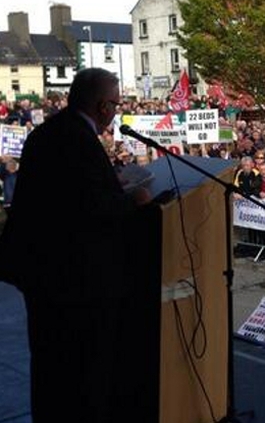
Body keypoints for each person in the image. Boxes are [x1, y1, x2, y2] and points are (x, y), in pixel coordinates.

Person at [0, 69, 152, 422]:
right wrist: (134, 199)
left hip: (43, 276)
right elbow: (89, 209)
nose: (116, 111)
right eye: (115, 104)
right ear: (101, 106)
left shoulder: (49, 133)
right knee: (81, 376)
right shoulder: (78, 141)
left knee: (50, 369)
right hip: (76, 284)